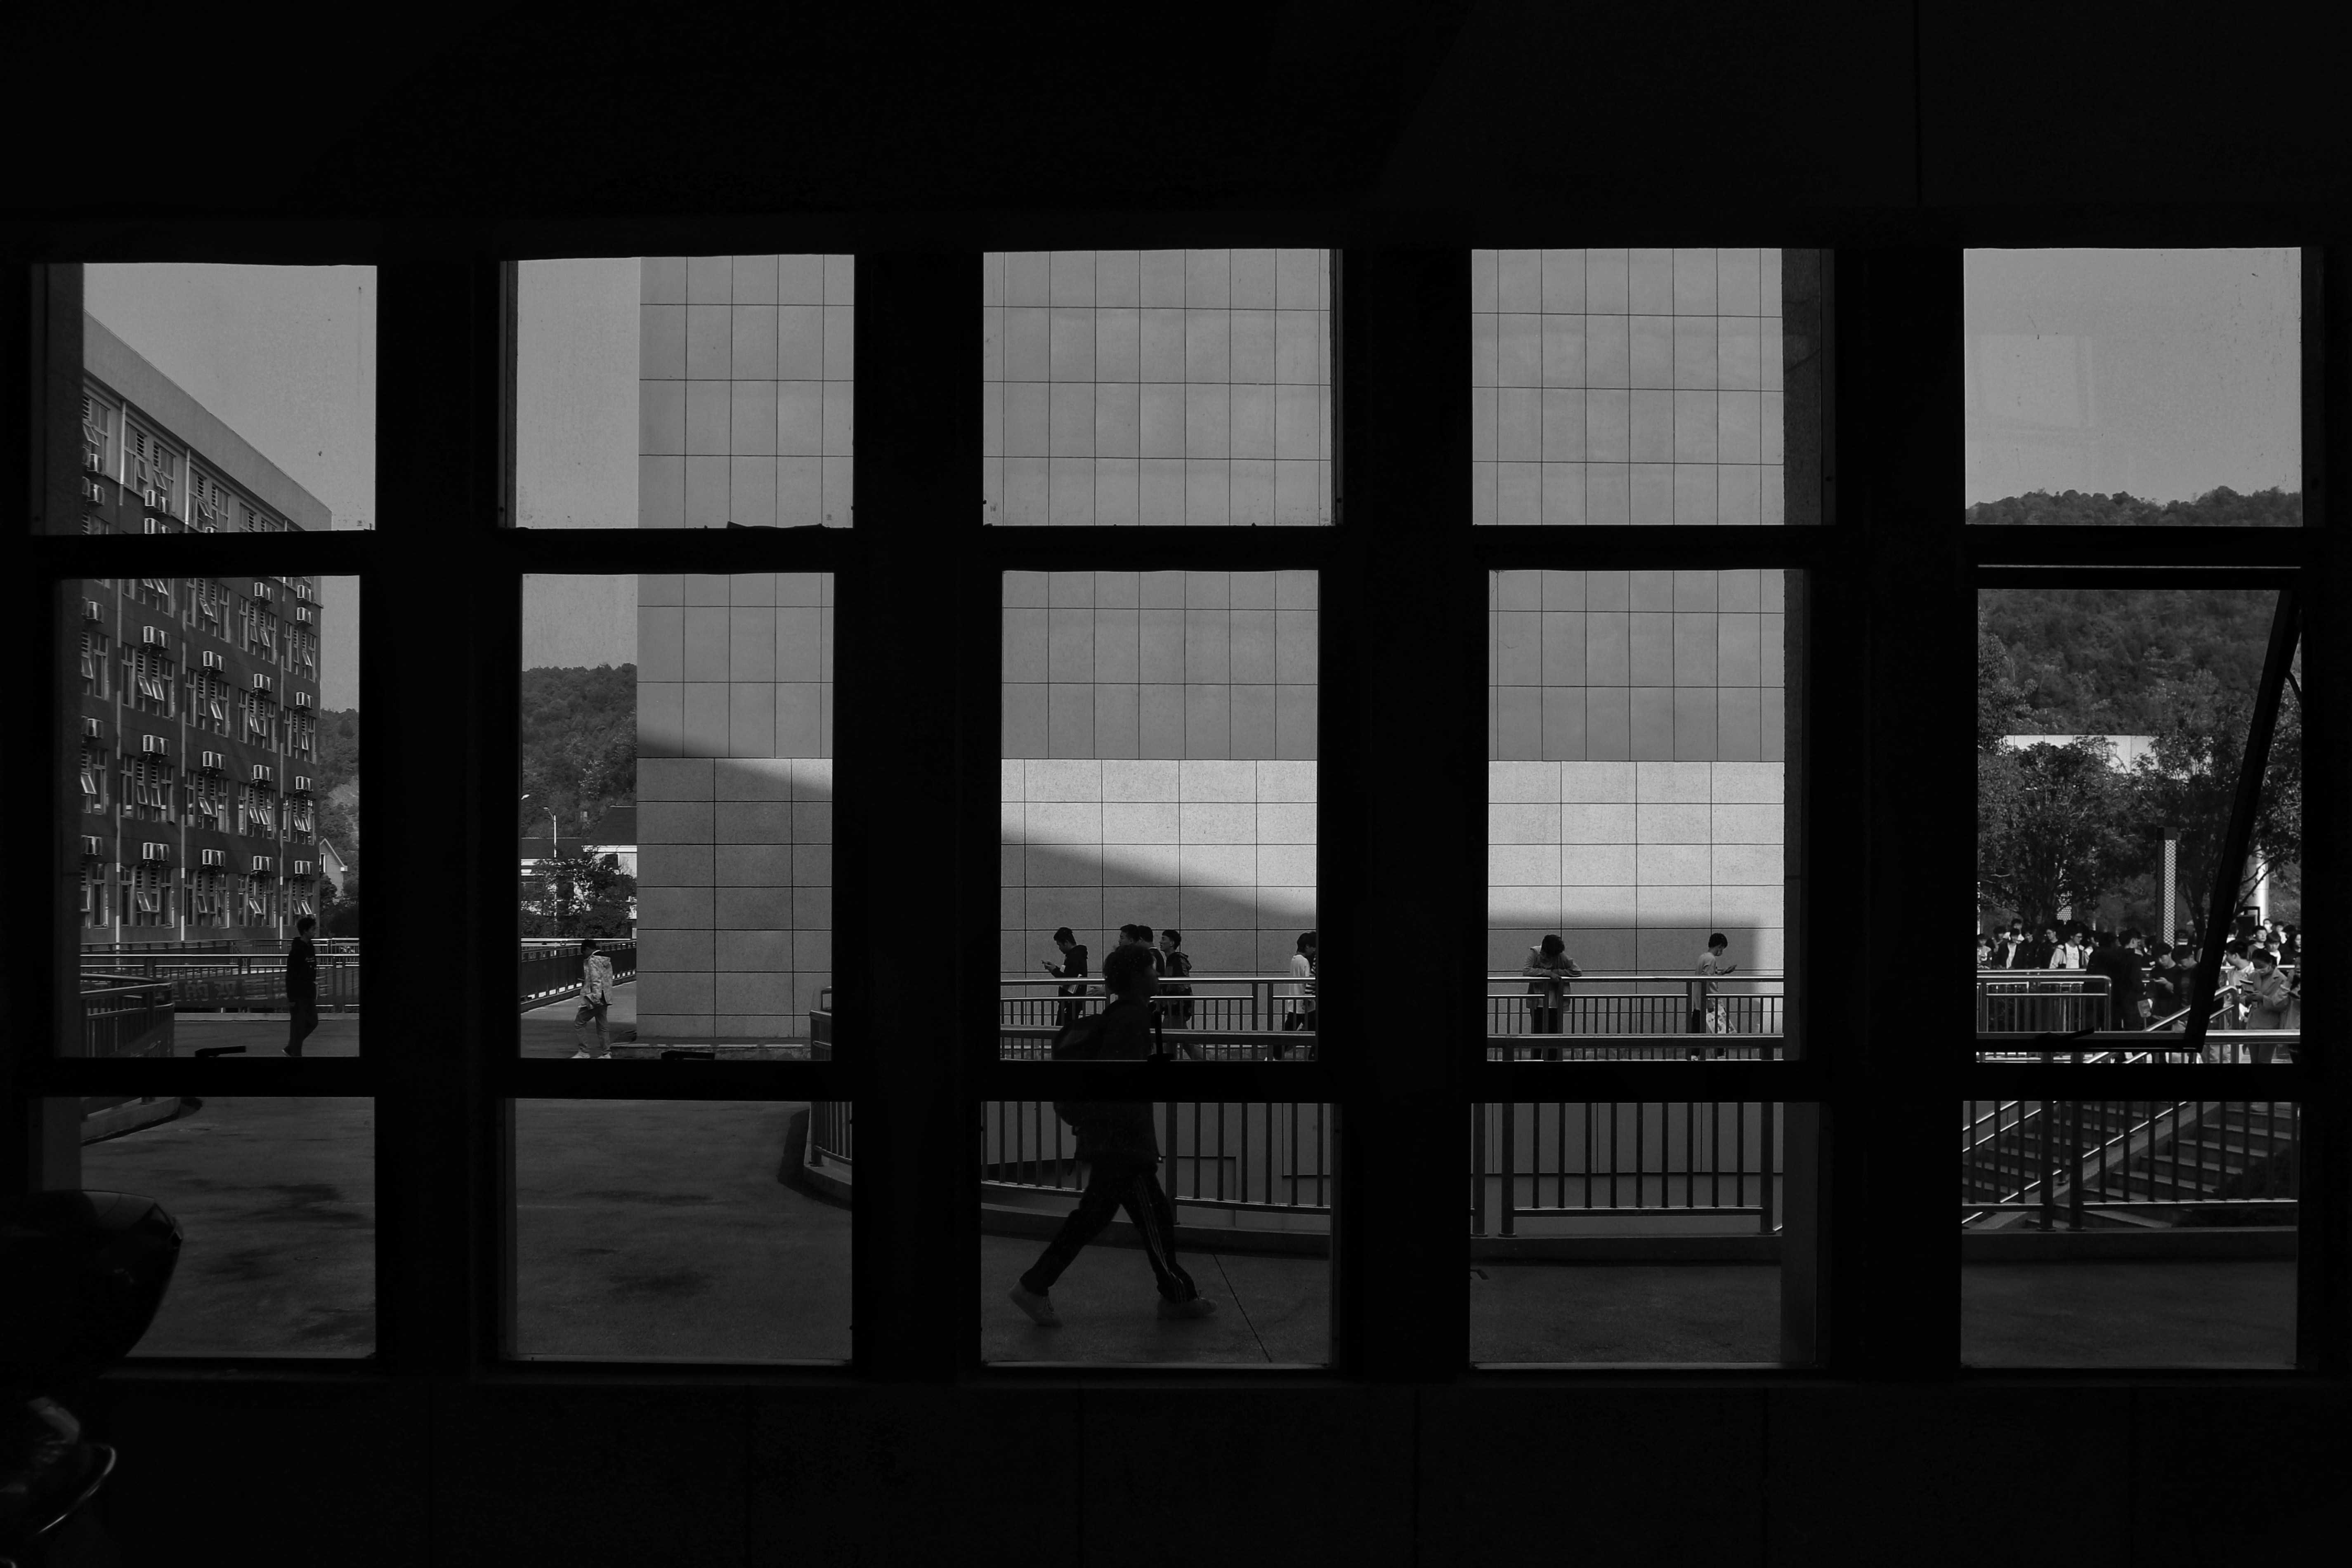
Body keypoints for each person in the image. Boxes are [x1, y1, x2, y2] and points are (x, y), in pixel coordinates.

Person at [1006, 944, 1217, 1329]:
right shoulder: (1131, 1019)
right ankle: (1176, 1295)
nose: (1158, 976)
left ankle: (1035, 1286)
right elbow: (1119, 1082)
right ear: (1138, 976)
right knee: (1152, 1217)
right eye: (1153, 970)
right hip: (1123, 1142)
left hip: (1111, 1139)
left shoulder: (1125, 1015)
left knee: (1095, 1217)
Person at [1522, 935, 1580, 1060]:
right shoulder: (1535, 953)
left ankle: (1552, 1061)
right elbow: (1527, 971)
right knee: (1537, 1035)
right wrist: (1548, 973)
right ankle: (1536, 1060)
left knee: (1554, 1036)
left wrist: (1558, 972)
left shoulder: (1560, 955)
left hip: (1555, 1003)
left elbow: (1577, 971)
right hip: (1538, 1002)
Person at [2085, 927, 2146, 1037]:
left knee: (2109, 1025)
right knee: (2133, 1028)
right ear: (2133, 941)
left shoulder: (2103, 955)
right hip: (2127, 1000)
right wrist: (2144, 990)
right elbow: (2135, 980)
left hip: (2109, 996)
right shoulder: (2132, 957)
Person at [1688, 932, 1737, 1060]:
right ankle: (1720, 1055)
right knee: (1721, 1029)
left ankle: (1695, 1055)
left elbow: (1708, 975)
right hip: (1711, 1001)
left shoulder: (1703, 957)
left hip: (1699, 1001)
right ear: (1720, 946)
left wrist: (1722, 973)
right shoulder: (1711, 959)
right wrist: (1709, 1001)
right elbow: (1706, 979)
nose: (1722, 952)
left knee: (1697, 1029)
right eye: (1723, 948)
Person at [2242, 948, 2294, 1065]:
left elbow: (2283, 1005)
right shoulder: (2253, 976)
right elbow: (2242, 996)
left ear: (2270, 963)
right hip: (2253, 1022)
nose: (2258, 969)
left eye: (2261, 966)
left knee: (2264, 1061)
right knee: (2254, 1060)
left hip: (2270, 1024)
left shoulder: (2282, 979)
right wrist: (2248, 999)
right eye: (2255, 966)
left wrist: (2263, 998)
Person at [570, 937, 616, 1059]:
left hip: (595, 997)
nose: (584, 956)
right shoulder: (606, 960)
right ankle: (606, 1053)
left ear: (588, 949)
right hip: (606, 996)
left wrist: (595, 998)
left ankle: (584, 1052)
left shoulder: (593, 960)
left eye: (584, 952)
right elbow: (606, 979)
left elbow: (596, 980)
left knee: (579, 1022)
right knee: (602, 1026)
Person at [283, 915, 320, 1056]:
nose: (314, 932)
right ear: (305, 931)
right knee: (297, 1027)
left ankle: (291, 1048)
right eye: (312, 929)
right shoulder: (296, 951)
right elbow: (290, 976)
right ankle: (295, 1053)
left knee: (313, 1022)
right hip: (298, 995)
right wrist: (291, 998)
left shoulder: (310, 947)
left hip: (309, 993)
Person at [1277, 930, 1318, 1057]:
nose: (1315, 950)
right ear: (1307, 947)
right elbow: (1309, 982)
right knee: (1312, 1033)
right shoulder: (1304, 962)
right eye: (1313, 947)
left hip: (1295, 1003)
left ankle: (1275, 1055)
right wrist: (1309, 999)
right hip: (1305, 1005)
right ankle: (1275, 1055)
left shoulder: (1295, 959)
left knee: (1288, 1033)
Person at [1042, 927, 1089, 1028]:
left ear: (1066, 943)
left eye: (1059, 945)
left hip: (1070, 1001)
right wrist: (1055, 969)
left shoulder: (1075, 956)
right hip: (1071, 1000)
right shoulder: (1077, 955)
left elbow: (1068, 979)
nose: (1059, 948)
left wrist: (1054, 970)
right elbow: (1069, 974)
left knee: (1062, 1030)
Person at [1156, 927, 1196, 1032]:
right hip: (1177, 1008)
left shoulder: (1175, 960)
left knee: (1165, 1040)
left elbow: (1178, 983)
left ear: (1172, 943)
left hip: (1175, 1008)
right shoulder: (1174, 960)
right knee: (1184, 1041)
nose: (1160, 942)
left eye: (1164, 939)